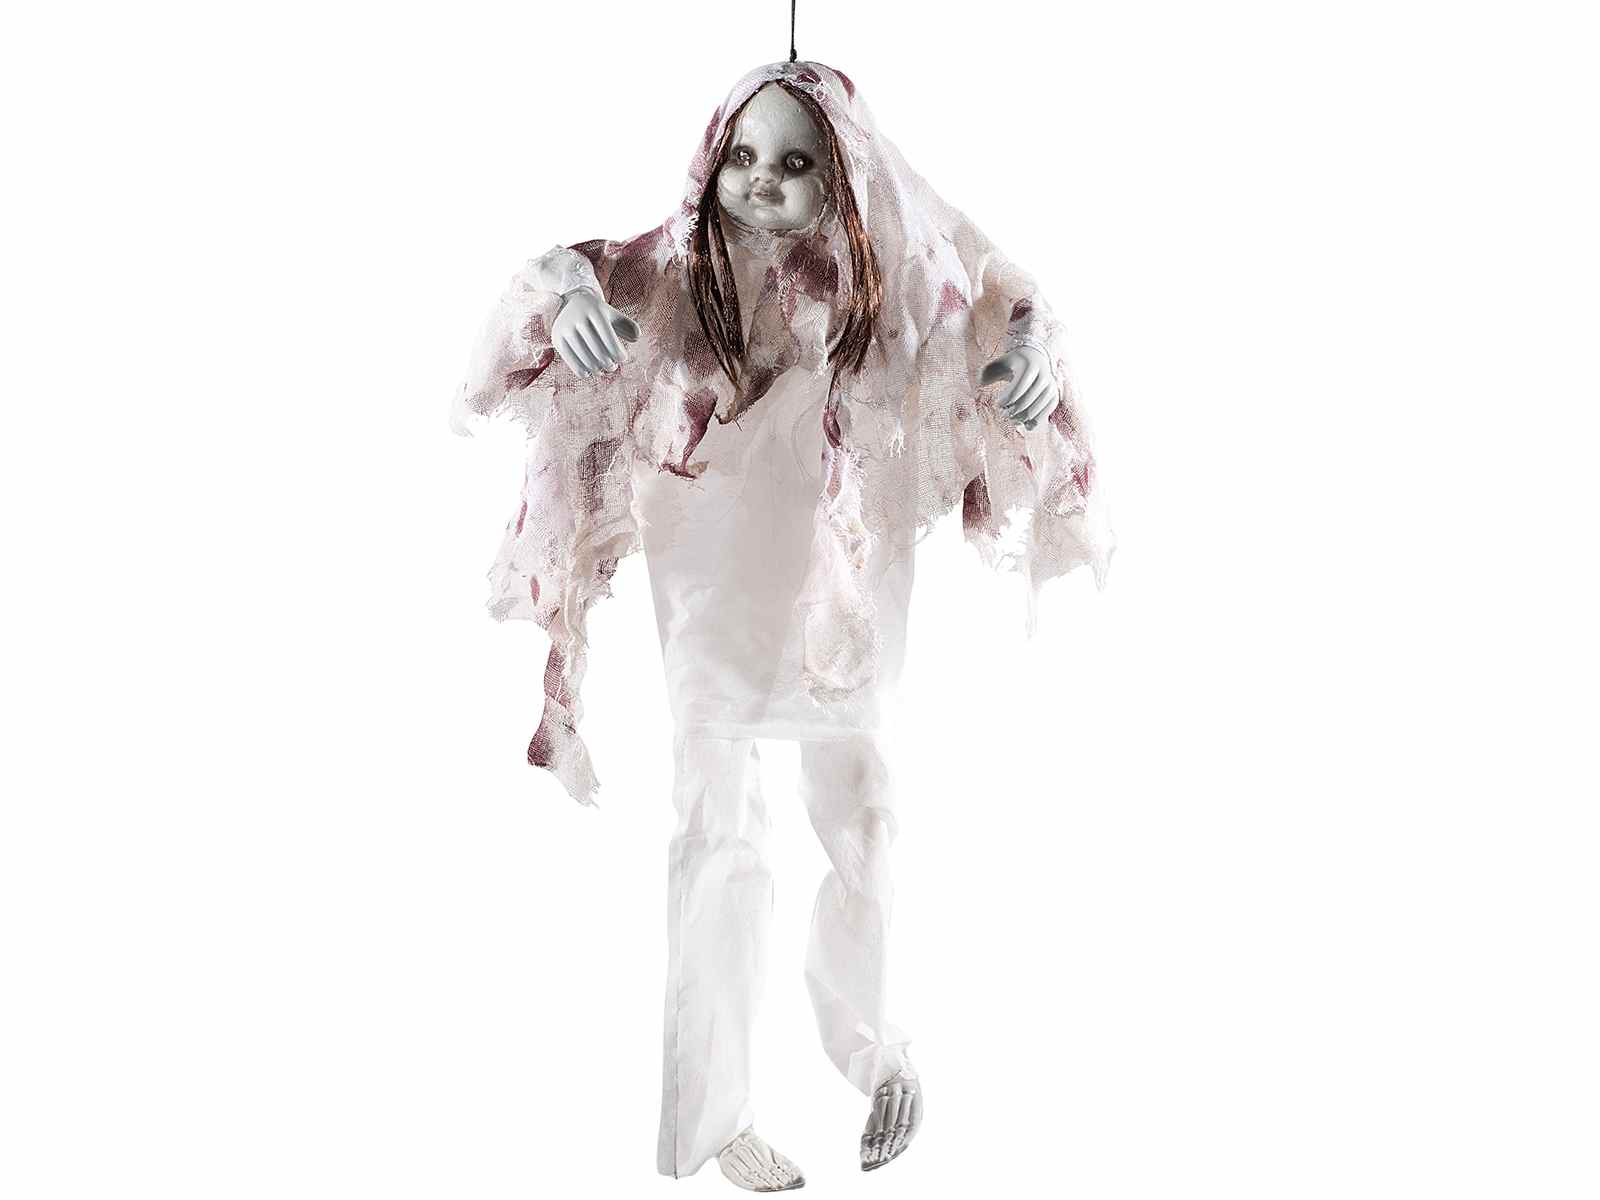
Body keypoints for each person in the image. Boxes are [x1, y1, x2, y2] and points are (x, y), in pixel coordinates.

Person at [452, 59, 1112, 1191]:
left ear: (845, 171)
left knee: (861, 803)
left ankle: (875, 1048)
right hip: (712, 570)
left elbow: (1002, 296)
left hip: (845, 572)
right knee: (715, 824)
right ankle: (714, 1117)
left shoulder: (891, 263)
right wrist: (568, 303)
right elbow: (558, 276)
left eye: (796, 162)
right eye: (742, 157)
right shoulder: (677, 267)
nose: (760, 182)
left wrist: (1028, 360)